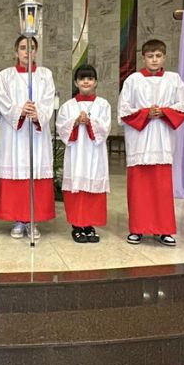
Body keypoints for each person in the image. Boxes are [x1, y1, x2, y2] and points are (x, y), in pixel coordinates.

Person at [118, 39, 184, 246]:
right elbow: (123, 109)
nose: (154, 60)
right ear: (143, 58)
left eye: (158, 56)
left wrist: (164, 112)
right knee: (139, 187)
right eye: (150, 56)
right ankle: (137, 228)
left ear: (164, 57)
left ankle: (163, 229)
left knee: (161, 187)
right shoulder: (133, 80)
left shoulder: (174, 79)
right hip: (140, 140)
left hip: (163, 140)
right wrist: (145, 113)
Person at [0, 35, 56, 239]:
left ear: (36, 51)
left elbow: (49, 99)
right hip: (15, 133)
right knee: (16, 173)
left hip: (36, 133)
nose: (26, 52)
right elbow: (2, 101)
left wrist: (38, 112)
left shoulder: (45, 75)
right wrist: (20, 110)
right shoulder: (5, 75)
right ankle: (18, 220)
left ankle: (33, 220)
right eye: (22, 48)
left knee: (35, 172)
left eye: (31, 48)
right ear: (16, 52)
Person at [56, 64, 111, 243]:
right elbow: (62, 129)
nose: (86, 81)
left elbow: (105, 128)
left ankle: (89, 225)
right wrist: (74, 121)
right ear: (76, 82)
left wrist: (89, 122)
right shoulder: (68, 106)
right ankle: (77, 226)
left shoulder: (103, 104)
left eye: (90, 79)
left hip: (95, 154)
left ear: (96, 82)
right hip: (76, 154)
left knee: (92, 189)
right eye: (82, 79)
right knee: (77, 188)